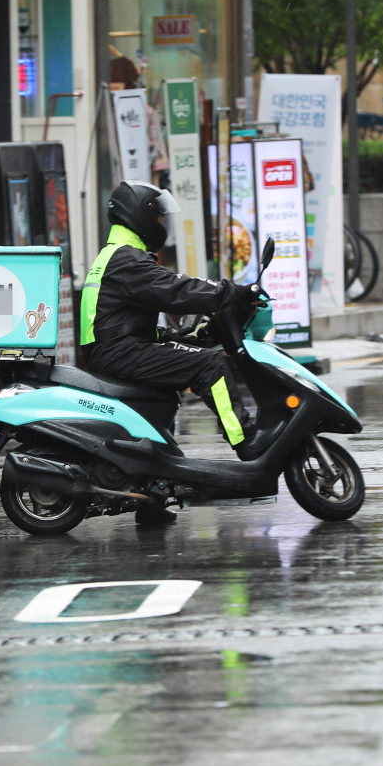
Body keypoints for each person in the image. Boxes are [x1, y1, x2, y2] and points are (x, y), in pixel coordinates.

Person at [80, 181, 269, 524]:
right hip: (117, 352)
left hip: (115, 347)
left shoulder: (118, 255)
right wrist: (235, 292)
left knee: (165, 395)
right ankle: (249, 443)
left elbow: (122, 319)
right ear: (140, 215)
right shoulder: (127, 260)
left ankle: (151, 494)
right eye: (159, 217)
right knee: (208, 366)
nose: (162, 225)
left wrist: (178, 334)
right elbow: (175, 290)